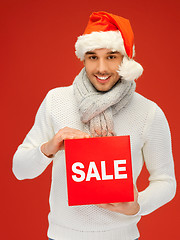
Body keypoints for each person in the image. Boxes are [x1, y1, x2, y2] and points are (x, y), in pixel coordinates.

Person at [13, 11, 176, 240]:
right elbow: (19, 170)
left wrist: (138, 204)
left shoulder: (148, 112)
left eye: (111, 57)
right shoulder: (56, 101)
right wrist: (48, 149)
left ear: (126, 58)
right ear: (83, 58)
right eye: (92, 57)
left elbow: (166, 181)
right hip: (61, 236)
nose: (101, 68)